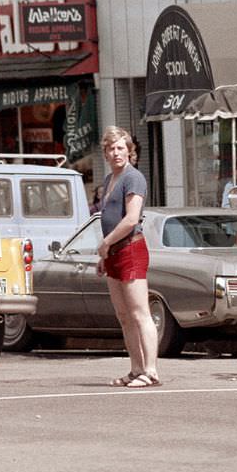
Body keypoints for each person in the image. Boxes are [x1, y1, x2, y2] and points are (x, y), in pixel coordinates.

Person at [97, 125, 160, 388]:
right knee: (123, 315)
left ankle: (151, 370)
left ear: (130, 151)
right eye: (111, 148)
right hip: (113, 252)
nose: (116, 153)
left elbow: (131, 218)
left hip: (130, 249)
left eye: (120, 147)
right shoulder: (108, 180)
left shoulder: (133, 178)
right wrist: (104, 255)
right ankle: (135, 369)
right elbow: (107, 220)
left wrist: (106, 243)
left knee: (139, 312)